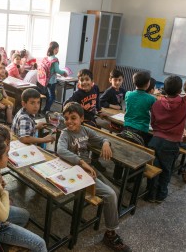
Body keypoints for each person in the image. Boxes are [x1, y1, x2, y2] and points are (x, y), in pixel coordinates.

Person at [56, 102, 131, 252]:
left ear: (82, 119)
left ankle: (108, 220)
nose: (69, 121)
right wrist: (82, 162)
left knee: (115, 192)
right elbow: (60, 150)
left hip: (89, 170)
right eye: (66, 118)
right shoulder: (65, 134)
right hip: (77, 172)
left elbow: (102, 138)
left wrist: (106, 143)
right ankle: (110, 234)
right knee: (110, 194)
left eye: (73, 118)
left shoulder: (85, 130)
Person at [148, 54, 186, 203]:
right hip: (171, 143)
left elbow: (153, 122)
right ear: (180, 89)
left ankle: (150, 194)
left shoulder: (156, 103)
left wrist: (158, 131)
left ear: (164, 89)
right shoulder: (184, 103)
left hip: (155, 140)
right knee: (166, 170)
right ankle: (161, 195)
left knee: (153, 168)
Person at [116, 71, 156, 180]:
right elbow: (155, 113)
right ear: (148, 84)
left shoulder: (128, 94)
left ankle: (117, 175)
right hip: (142, 130)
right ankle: (132, 178)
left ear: (134, 82)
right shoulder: (151, 98)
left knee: (122, 149)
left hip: (126, 127)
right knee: (138, 154)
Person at [65, 69, 106, 172]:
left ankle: (94, 160)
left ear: (92, 81)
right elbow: (66, 105)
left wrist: (99, 111)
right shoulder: (77, 94)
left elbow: (97, 101)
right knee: (85, 142)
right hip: (83, 122)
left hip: (92, 119)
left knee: (97, 136)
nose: (84, 82)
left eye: (87, 79)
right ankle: (85, 161)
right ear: (78, 82)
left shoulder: (95, 88)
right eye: (81, 80)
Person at [38, 41, 67, 115]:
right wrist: (64, 73)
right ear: (55, 49)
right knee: (53, 97)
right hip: (52, 81)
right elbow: (57, 70)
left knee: (49, 95)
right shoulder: (55, 59)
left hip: (45, 80)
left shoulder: (47, 58)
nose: (58, 50)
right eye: (57, 49)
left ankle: (45, 109)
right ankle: (45, 110)